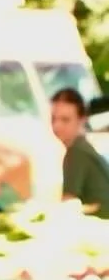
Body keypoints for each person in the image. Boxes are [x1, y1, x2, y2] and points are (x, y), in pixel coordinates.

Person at [51, 86, 109, 217]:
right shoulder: (82, 147)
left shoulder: (76, 152)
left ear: (82, 120)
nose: (57, 125)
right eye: (53, 118)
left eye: (65, 119)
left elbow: (68, 204)